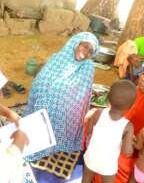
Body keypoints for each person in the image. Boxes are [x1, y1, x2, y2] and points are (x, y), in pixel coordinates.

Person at [23, 32, 99, 161]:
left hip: (67, 108)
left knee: (57, 100)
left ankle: (53, 137)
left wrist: (58, 94)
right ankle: (39, 130)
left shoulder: (88, 67)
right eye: (84, 46)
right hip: (44, 99)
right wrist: (49, 90)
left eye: (90, 51)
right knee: (45, 96)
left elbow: (82, 95)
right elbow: (41, 80)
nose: (86, 52)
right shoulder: (56, 58)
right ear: (76, 43)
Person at [81, 80, 137, 183]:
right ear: (130, 106)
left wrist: (90, 141)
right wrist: (131, 143)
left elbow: (89, 130)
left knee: (86, 177)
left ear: (107, 98)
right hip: (108, 165)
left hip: (91, 157)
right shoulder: (127, 126)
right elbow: (126, 151)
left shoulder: (98, 113)